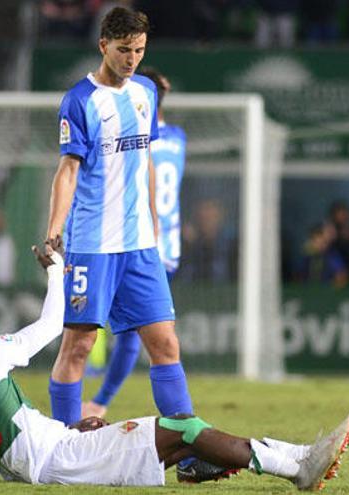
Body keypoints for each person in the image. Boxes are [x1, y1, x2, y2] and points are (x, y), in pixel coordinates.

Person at [0, 236, 349, 489]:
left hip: (54, 462)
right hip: (68, 459)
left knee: (185, 436)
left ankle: (210, 461)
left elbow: (12, 448)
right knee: (184, 426)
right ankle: (299, 464)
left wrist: (70, 429)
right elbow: (50, 325)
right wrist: (55, 269)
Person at [45, 6, 226, 482]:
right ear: (103, 44)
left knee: (165, 343)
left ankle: (187, 454)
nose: (132, 59)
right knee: (79, 345)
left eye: (140, 50)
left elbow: (143, 159)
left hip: (140, 245)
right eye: (124, 49)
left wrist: (154, 223)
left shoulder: (146, 92)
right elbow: (68, 170)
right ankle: (65, 449)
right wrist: (54, 230)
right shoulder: (79, 100)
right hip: (92, 243)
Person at [81, 67, 186, 419]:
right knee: (145, 335)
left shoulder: (136, 138)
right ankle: (101, 400)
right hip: (167, 243)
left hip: (134, 238)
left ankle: (98, 402)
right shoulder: (179, 139)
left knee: (123, 333)